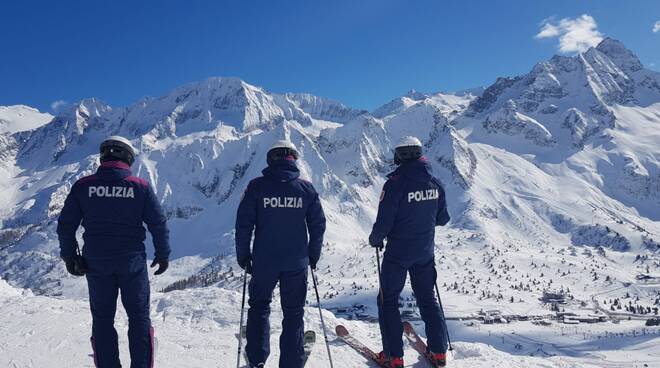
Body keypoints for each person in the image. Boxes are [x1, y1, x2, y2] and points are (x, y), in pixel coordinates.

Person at [57, 135, 170, 368]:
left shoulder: (83, 186)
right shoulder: (140, 186)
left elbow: (66, 225)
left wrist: (70, 256)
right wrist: (162, 253)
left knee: (102, 320)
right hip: (132, 263)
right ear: (128, 157)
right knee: (138, 318)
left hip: (96, 263)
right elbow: (158, 223)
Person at [235, 140, 326, 368]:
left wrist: (243, 256)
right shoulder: (306, 189)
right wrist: (312, 255)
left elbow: (244, 224)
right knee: (294, 313)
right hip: (296, 262)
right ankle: (291, 362)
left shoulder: (256, 187)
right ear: (294, 159)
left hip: (264, 261)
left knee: (259, 307)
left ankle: (256, 359)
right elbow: (318, 224)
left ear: (270, 160)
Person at [369, 136, 451, 368]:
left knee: (388, 300)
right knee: (427, 298)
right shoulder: (435, 183)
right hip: (424, 251)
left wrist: (375, 239)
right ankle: (439, 352)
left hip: (398, 253)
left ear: (399, 156)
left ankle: (393, 356)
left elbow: (384, 223)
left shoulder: (394, 183)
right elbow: (443, 218)